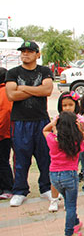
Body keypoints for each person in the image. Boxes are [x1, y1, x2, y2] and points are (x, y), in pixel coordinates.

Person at [6, 41, 54, 208]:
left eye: (29, 51)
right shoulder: (12, 73)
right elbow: (11, 95)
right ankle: (19, 190)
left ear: (37, 54)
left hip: (41, 120)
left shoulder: (45, 71)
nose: (25, 54)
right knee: (20, 158)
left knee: (45, 156)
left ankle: (46, 188)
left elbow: (47, 91)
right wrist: (35, 89)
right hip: (20, 122)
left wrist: (23, 88)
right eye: (23, 51)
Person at [43, 111, 84, 236]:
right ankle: (69, 232)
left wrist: (53, 123)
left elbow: (45, 130)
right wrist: (81, 130)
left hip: (54, 177)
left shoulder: (53, 140)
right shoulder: (76, 142)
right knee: (71, 205)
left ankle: (76, 221)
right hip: (70, 175)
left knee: (68, 201)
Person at [0, 68, 13, 200]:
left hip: (4, 134)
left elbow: (4, 113)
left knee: (3, 161)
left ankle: (8, 187)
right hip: (5, 132)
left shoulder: (3, 92)